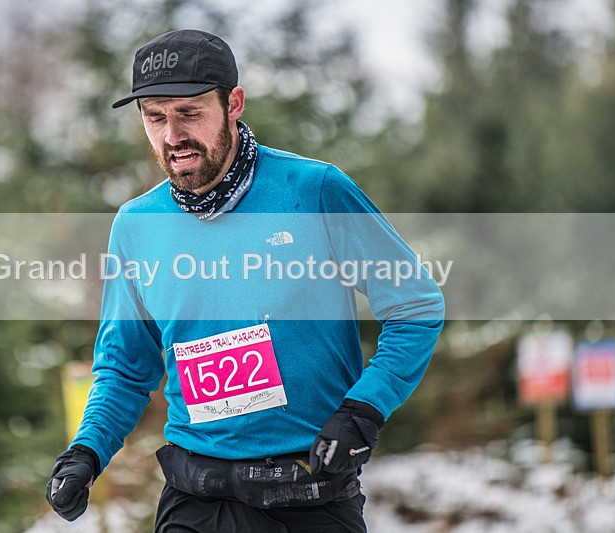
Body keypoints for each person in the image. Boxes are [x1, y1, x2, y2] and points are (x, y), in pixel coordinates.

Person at [46, 29, 444, 532]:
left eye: (190, 113)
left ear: (234, 103)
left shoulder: (314, 189)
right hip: (195, 501)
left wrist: (364, 409)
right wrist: (86, 450)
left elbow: (414, 305)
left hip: (310, 496)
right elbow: (125, 366)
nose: (173, 136)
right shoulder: (136, 224)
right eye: (155, 118)